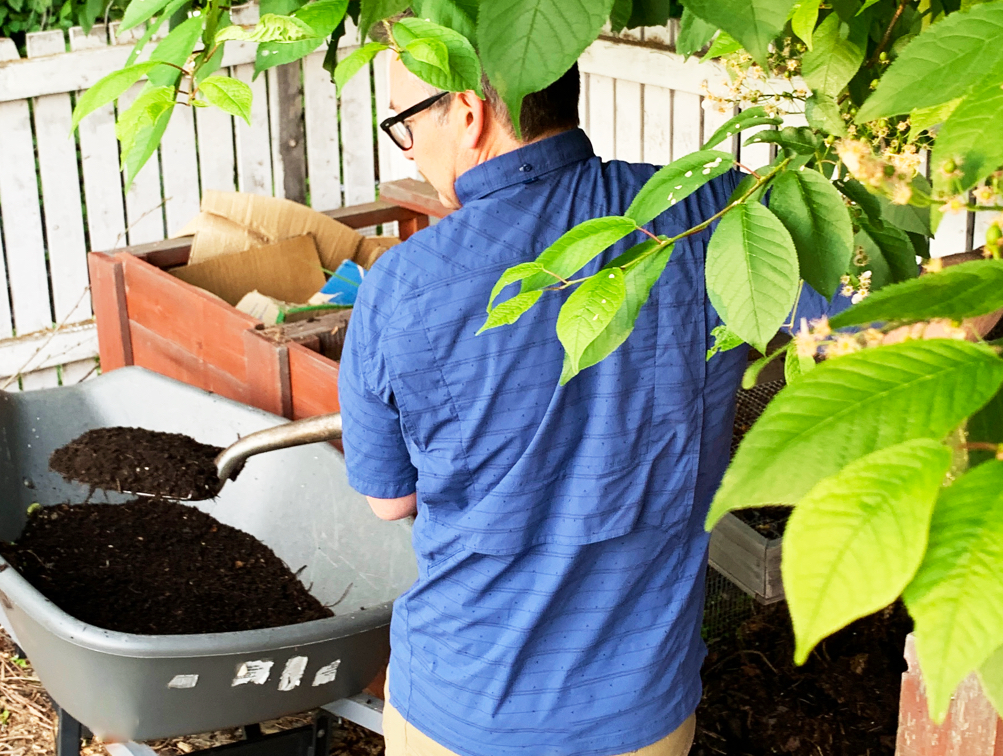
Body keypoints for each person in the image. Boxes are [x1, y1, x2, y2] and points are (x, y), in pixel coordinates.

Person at [337, 54, 840, 756]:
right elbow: (910, 323)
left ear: (469, 112)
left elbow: (389, 500)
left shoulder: (399, 285)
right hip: (639, 710)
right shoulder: (714, 212)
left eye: (406, 124)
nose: (409, 148)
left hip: (461, 706)